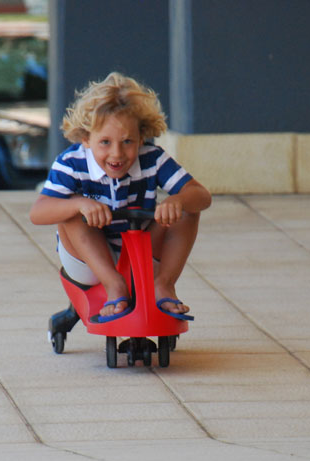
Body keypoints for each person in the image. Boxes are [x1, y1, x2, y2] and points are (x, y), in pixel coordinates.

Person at [29, 72, 211, 322]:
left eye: (127, 141)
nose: (117, 154)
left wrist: (176, 201)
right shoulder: (71, 163)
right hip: (88, 263)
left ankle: (164, 284)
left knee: (189, 208)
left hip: (141, 258)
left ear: (142, 138)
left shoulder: (152, 159)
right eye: (104, 142)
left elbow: (201, 195)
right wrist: (79, 203)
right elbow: (37, 214)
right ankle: (113, 284)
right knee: (70, 212)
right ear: (86, 138)